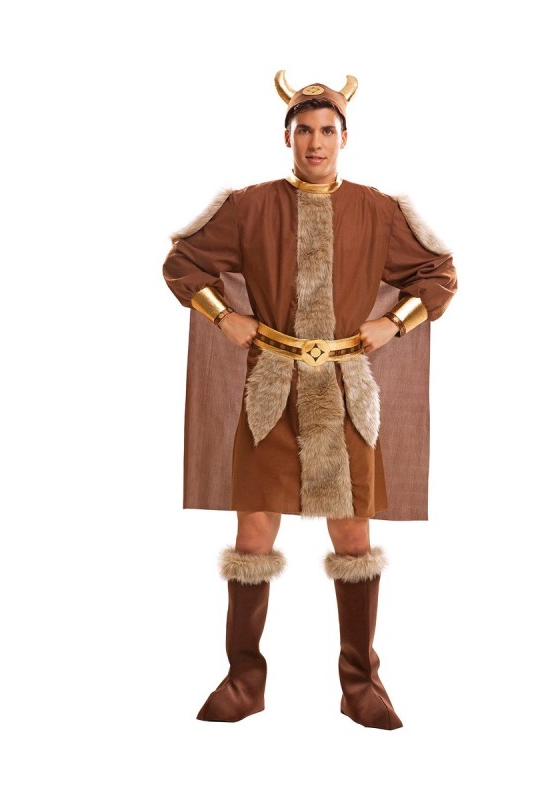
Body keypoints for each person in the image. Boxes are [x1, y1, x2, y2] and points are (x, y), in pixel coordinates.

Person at [161, 71, 457, 730]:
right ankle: (244, 680)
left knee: (353, 537)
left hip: (345, 394)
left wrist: (396, 322)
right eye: (304, 130)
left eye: (327, 130)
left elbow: (439, 273)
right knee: (252, 536)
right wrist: (221, 316)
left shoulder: (378, 211)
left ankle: (361, 684)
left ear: (345, 137)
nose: (315, 142)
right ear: (287, 136)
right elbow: (181, 262)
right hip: (271, 392)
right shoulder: (249, 207)